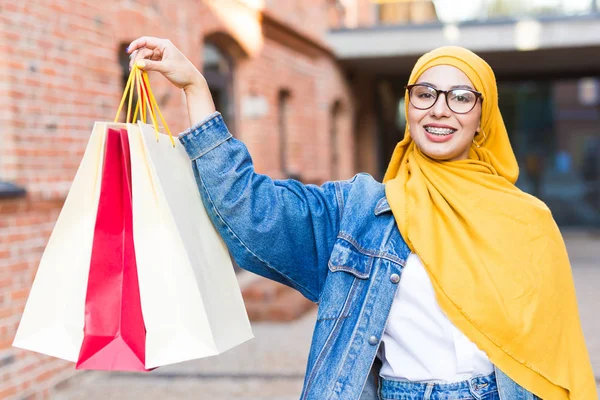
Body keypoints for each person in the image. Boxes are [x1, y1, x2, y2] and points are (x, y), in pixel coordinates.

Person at [127, 37, 596, 400]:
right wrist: (197, 89)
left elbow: (553, 359)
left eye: (460, 97)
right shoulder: (360, 210)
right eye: (425, 93)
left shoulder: (529, 223)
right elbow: (250, 210)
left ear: (483, 117)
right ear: (408, 108)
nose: (439, 109)